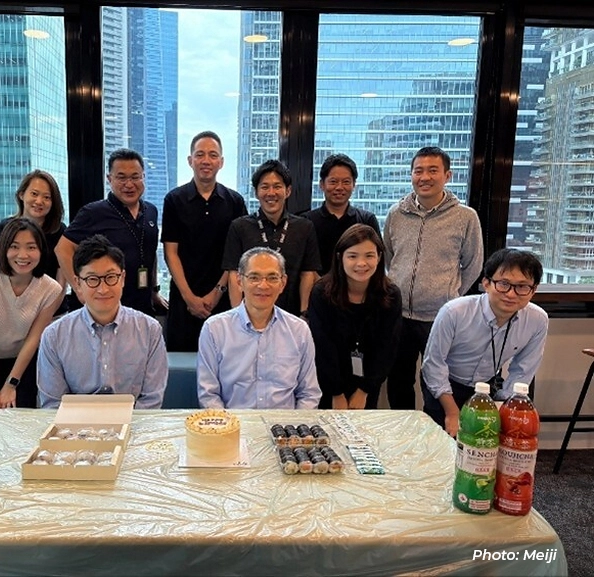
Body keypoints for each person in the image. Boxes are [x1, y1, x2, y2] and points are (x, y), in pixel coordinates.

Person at [383, 146, 484, 410]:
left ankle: (435, 434)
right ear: (411, 175)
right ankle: (403, 433)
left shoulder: (465, 217)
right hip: (399, 314)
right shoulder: (396, 214)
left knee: (436, 381)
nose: (424, 177)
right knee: (398, 379)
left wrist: (451, 296)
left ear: (447, 175)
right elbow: (389, 256)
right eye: (418, 171)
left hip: (440, 316)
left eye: (432, 171)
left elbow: (473, 264)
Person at [421, 248, 548, 437]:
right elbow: (433, 365)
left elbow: (522, 371)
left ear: (534, 290)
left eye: (522, 287)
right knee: (441, 442)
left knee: (486, 444)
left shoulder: (537, 320)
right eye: (503, 284)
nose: (511, 294)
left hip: (486, 387)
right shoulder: (454, 312)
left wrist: (501, 408)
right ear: (486, 283)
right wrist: (452, 412)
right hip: (445, 384)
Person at [37, 235, 168, 409]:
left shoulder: (149, 330)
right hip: (75, 429)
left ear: (122, 278)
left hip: (134, 426)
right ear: (77, 283)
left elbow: (151, 399)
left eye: (110, 277)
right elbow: (53, 404)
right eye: (92, 279)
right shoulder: (54, 335)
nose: (103, 288)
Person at [0, 218, 65, 414]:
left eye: (31, 247)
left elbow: (33, 339)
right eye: (14, 247)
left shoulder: (51, 289)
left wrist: (11, 384)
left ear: (41, 251)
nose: (23, 255)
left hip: (20, 360)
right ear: (4, 248)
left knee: (20, 422)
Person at [197, 247, 321, 409]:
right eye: (254, 277)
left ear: (283, 283)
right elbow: (208, 395)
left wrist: (294, 431)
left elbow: (309, 394)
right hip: (233, 426)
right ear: (240, 281)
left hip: (285, 428)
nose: (263, 286)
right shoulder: (215, 328)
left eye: (272, 278)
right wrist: (228, 429)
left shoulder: (299, 330)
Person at [161, 131, 247, 352]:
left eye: (212, 155)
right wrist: (189, 298)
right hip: (183, 299)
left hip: (224, 299)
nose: (206, 160)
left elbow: (238, 256)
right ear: (190, 160)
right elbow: (170, 252)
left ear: (221, 161)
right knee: (181, 362)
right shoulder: (174, 199)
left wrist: (217, 293)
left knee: (225, 361)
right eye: (200, 154)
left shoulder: (235, 201)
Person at [55, 148, 167, 316]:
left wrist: (154, 290)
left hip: (142, 306)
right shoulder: (93, 212)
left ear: (143, 177)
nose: (129, 184)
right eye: (121, 177)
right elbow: (62, 249)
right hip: (104, 307)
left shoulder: (151, 211)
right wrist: (79, 289)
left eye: (135, 177)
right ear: (109, 179)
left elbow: (150, 252)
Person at [308, 224, 402, 410]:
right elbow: (322, 347)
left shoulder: (390, 295)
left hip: (369, 382)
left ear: (380, 257)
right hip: (327, 381)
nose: (361, 264)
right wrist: (336, 393)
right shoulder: (321, 293)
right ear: (340, 257)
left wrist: (364, 390)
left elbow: (387, 348)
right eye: (352, 256)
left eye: (369, 256)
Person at [222, 159, 321, 318]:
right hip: (250, 315)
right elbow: (234, 275)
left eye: (277, 186)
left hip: (291, 315)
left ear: (288, 191)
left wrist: (304, 314)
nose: (271, 193)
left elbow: (308, 273)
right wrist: (237, 316)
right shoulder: (239, 227)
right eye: (265, 187)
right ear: (256, 192)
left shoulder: (304, 227)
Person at [0, 170, 68, 313]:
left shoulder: (60, 231)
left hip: (51, 311)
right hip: (10, 311)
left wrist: (46, 316)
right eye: (34, 194)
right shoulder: (2, 230)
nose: (39, 201)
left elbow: (61, 281)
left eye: (47, 197)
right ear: (21, 195)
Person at [302, 154, 381, 276]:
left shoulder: (366, 220)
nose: (339, 187)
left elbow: (376, 261)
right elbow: (305, 268)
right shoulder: (307, 221)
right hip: (318, 291)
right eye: (333, 182)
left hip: (358, 289)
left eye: (346, 182)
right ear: (322, 184)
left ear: (354, 185)